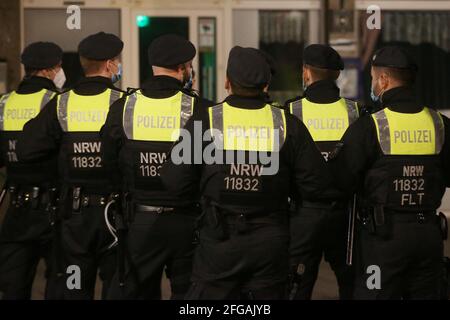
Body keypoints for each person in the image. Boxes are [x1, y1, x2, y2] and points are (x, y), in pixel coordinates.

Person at [160, 46, 332, 299]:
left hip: (218, 240)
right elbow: (318, 185)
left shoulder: (205, 120)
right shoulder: (287, 124)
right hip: (271, 240)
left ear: (227, 82)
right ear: (266, 85)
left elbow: (173, 181)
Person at [330, 46, 450, 299]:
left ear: (383, 80)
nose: (373, 84)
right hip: (429, 235)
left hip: (384, 238)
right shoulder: (439, 123)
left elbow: (342, 178)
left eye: (373, 78)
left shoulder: (372, 125)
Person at [101, 34, 212, 300]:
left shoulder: (124, 107)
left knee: (134, 291)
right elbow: (211, 166)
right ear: (184, 68)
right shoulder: (200, 109)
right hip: (188, 223)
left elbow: (108, 161)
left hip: (139, 220)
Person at [17, 32, 125, 299]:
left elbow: (26, 149)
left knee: (74, 287)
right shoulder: (124, 104)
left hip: (75, 216)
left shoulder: (62, 103)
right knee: (117, 287)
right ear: (110, 65)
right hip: (116, 215)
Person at [285, 44, 358, 300]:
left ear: (306, 73)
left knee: (297, 286)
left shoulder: (291, 111)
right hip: (347, 216)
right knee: (351, 286)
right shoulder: (356, 112)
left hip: (304, 214)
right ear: (336, 75)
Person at [0, 41, 64, 300]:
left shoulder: (4, 103)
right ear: (50, 70)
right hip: (54, 208)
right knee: (59, 282)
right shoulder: (57, 102)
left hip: (16, 208)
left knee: (14, 286)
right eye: (59, 67)